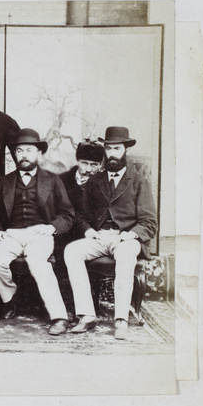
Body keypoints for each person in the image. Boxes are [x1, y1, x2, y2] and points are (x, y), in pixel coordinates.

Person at [64, 126, 157, 339]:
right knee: (72, 251)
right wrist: (87, 231)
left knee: (125, 254)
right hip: (100, 237)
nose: (112, 154)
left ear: (125, 150)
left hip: (126, 238)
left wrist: (130, 234)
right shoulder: (96, 180)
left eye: (117, 148)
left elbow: (149, 222)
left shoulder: (139, 181)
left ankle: (121, 319)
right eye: (108, 149)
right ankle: (87, 315)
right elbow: (82, 215)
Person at [0, 129, 75, 336]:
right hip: (11, 234)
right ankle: (9, 300)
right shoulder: (3, 182)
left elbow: (68, 214)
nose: (24, 154)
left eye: (29, 150)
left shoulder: (52, 180)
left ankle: (59, 316)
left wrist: (51, 227)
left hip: (39, 234)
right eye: (19, 150)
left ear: (38, 153)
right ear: (15, 155)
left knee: (38, 263)